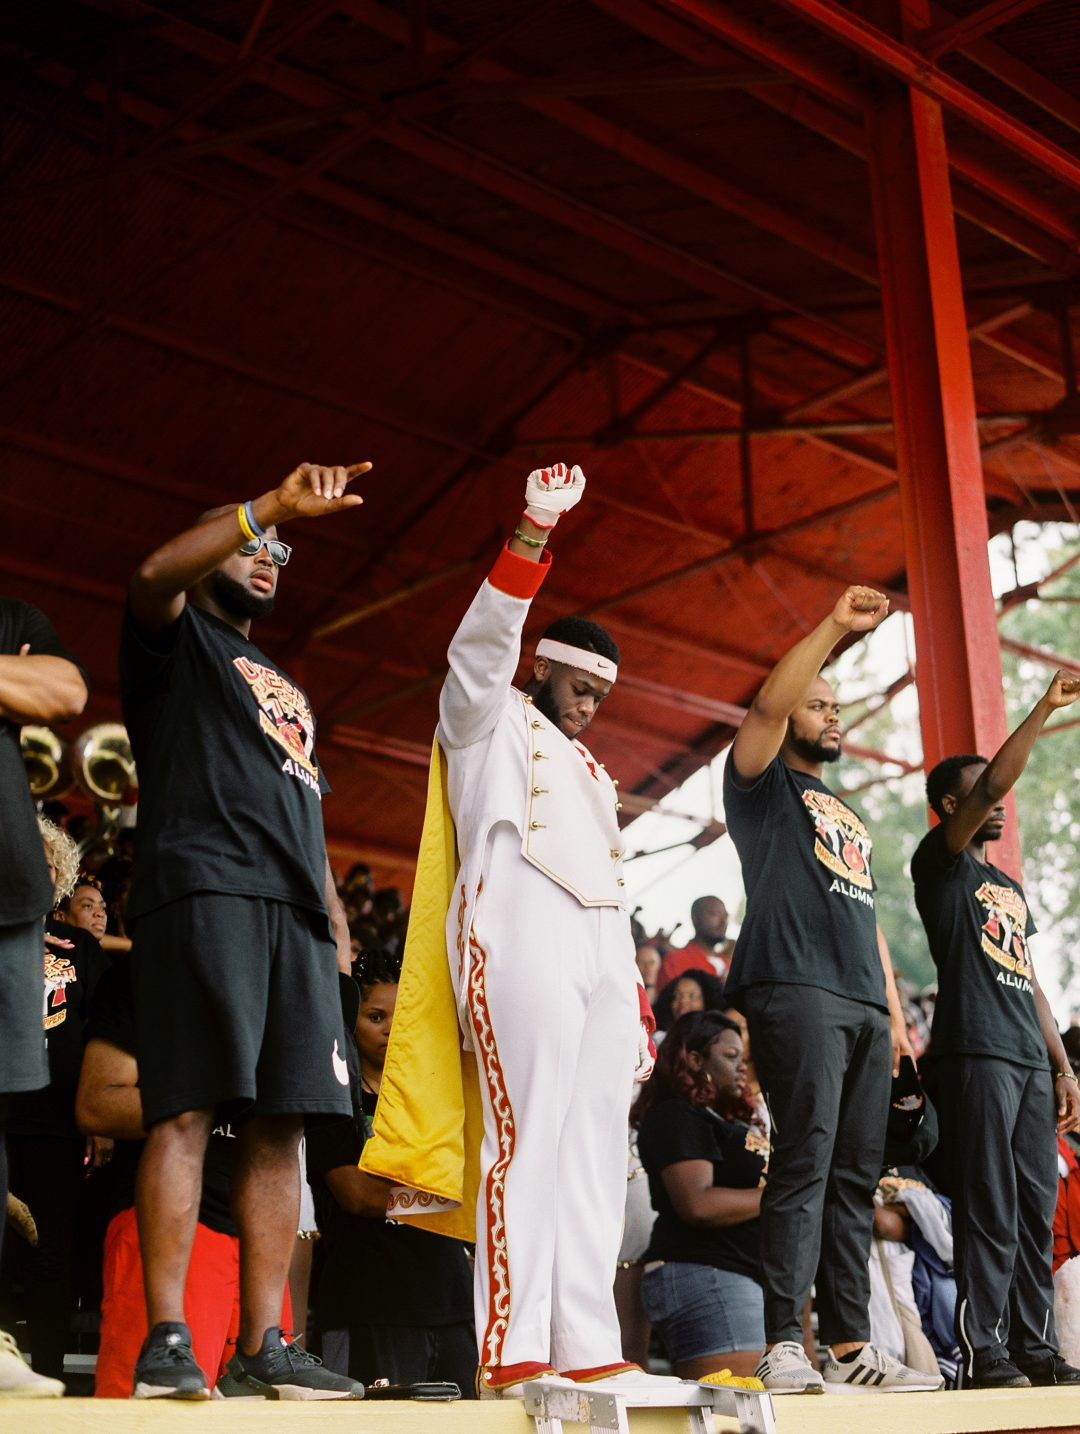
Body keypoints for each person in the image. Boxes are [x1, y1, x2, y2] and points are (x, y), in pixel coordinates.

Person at [361, 464, 662, 1400]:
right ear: (544, 665)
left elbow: (612, 896)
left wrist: (637, 1007)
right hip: (518, 935)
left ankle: (587, 1338)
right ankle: (516, 1342)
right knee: (526, 1139)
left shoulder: (593, 774)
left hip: (599, 953)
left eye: (601, 694)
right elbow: (480, 647)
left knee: (594, 1151)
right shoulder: (487, 722)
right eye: (578, 683)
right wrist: (533, 531)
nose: (589, 704)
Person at [118, 462, 372, 1401]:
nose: (271, 559)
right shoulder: (175, 642)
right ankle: (170, 1337)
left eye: (282, 553)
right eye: (253, 546)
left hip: (297, 914)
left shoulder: (282, 679)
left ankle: (265, 1340)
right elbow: (150, 575)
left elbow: (300, 807)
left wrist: (335, 918)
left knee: (282, 1127)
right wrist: (266, 509)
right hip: (206, 888)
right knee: (186, 1107)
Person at [722, 585, 939, 1394]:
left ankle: (850, 1347)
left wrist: (893, 1018)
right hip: (794, 987)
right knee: (805, 1162)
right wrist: (835, 632)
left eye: (837, 705)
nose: (832, 714)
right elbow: (768, 705)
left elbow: (870, 922)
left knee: (854, 1175)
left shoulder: (840, 806)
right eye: (818, 704)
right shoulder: (759, 788)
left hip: (859, 1003)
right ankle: (785, 1340)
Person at [912, 668, 1080, 1389]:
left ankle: (1036, 1348)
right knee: (990, 1206)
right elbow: (988, 786)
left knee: (1035, 1209)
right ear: (952, 806)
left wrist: (1063, 1066)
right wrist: (1043, 706)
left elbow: (1031, 977)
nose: (1000, 803)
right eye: (984, 792)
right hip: (973, 1051)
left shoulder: (1005, 888)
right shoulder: (939, 866)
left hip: (1025, 1060)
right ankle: (986, 1351)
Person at [75, 952, 291, 1396]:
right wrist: (211, 1100)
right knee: (150, 1416)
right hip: (173, 1229)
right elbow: (98, 1103)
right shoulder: (148, 971)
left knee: (267, 1422)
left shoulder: (287, 980)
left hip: (263, 1242)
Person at [307, 950, 475, 1389]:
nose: (390, 1029)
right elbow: (357, 1195)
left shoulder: (438, 1093)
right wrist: (446, 1203)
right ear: (351, 1020)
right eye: (375, 1016)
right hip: (368, 1304)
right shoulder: (332, 1096)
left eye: (401, 1016)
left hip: (453, 1303)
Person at [0, 598, 88, 1398]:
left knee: (50, 1246)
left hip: (60, 1122)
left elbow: (64, 691)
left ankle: (26, 1358)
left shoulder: (11, 613)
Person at [4, 819, 109, 1386]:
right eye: (27, 859)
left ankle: (40, 1371)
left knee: (51, 1250)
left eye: (49, 867)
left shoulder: (82, 947)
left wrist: (99, 1116)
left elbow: (101, 1033)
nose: (38, 874)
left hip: (56, 1122)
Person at [633, 1011, 767, 1380]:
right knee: (734, 1413)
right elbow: (698, 1204)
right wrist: (780, 1199)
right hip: (709, 1273)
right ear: (694, 1060)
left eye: (743, 1057)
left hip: (735, 1274)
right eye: (730, 1055)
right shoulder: (677, 1115)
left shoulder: (718, 1117)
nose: (741, 1066)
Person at [656, 898, 732, 991]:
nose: (723, 922)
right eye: (714, 914)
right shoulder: (675, 960)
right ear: (695, 918)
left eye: (726, 916)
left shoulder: (729, 964)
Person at [652, 969, 726, 1037]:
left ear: (708, 1001)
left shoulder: (718, 1038)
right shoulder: (659, 1039)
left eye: (692, 996)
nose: (683, 1001)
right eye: (677, 996)